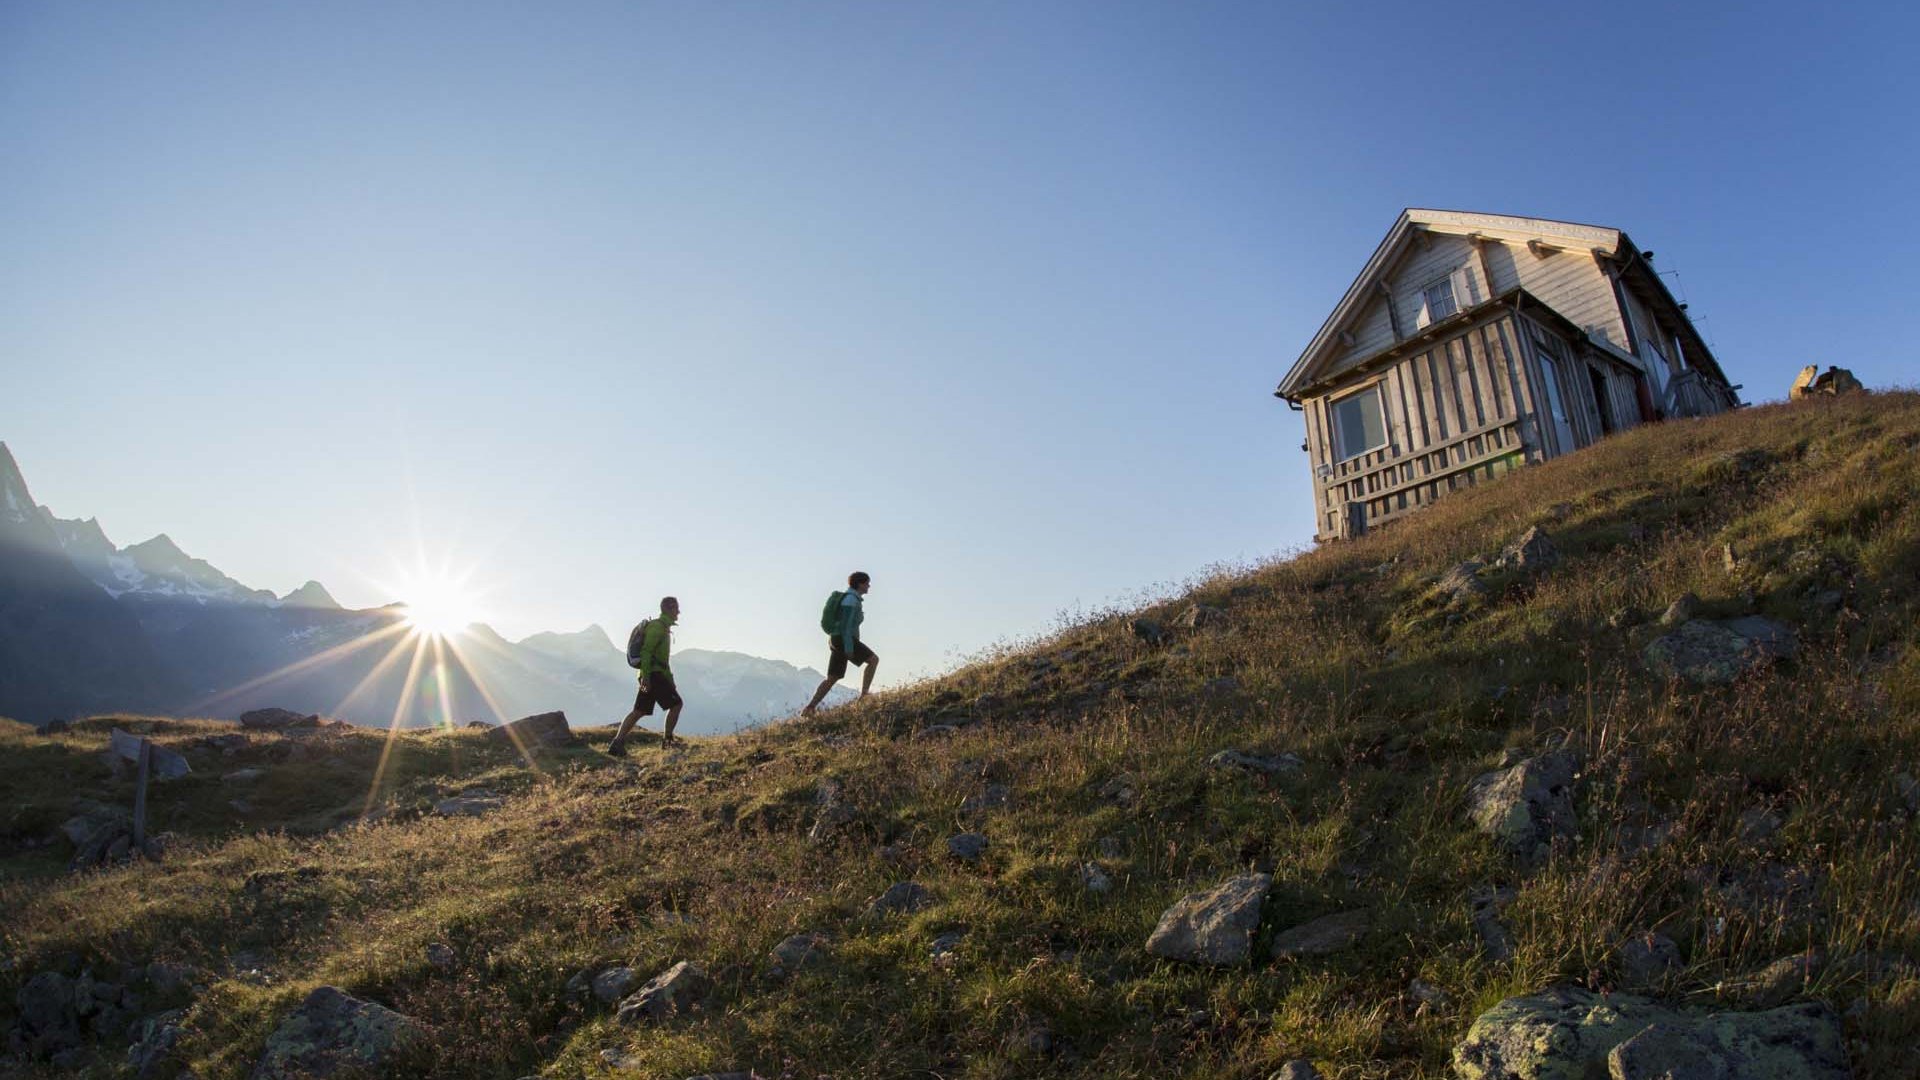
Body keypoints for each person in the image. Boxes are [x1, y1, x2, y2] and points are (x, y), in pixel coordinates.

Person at [609, 596, 683, 754]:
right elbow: (647, 653)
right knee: (676, 705)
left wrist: (668, 680)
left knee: (639, 711)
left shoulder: (662, 627)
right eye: (676, 608)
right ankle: (668, 742)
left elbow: (661, 659)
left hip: (651, 674)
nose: (679, 612)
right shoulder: (658, 627)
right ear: (669, 609)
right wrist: (648, 678)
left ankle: (617, 743)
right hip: (654, 675)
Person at [802, 571, 877, 715]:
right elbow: (846, 626)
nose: (869, 586)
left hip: (836, 639)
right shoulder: (851, 600)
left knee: (833, 677)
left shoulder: (850, 598)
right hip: (844, 639)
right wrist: (849, 647)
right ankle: (864, 696)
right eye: (867, 582)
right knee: (873, 660)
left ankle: (809, 708)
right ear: (860, 584)